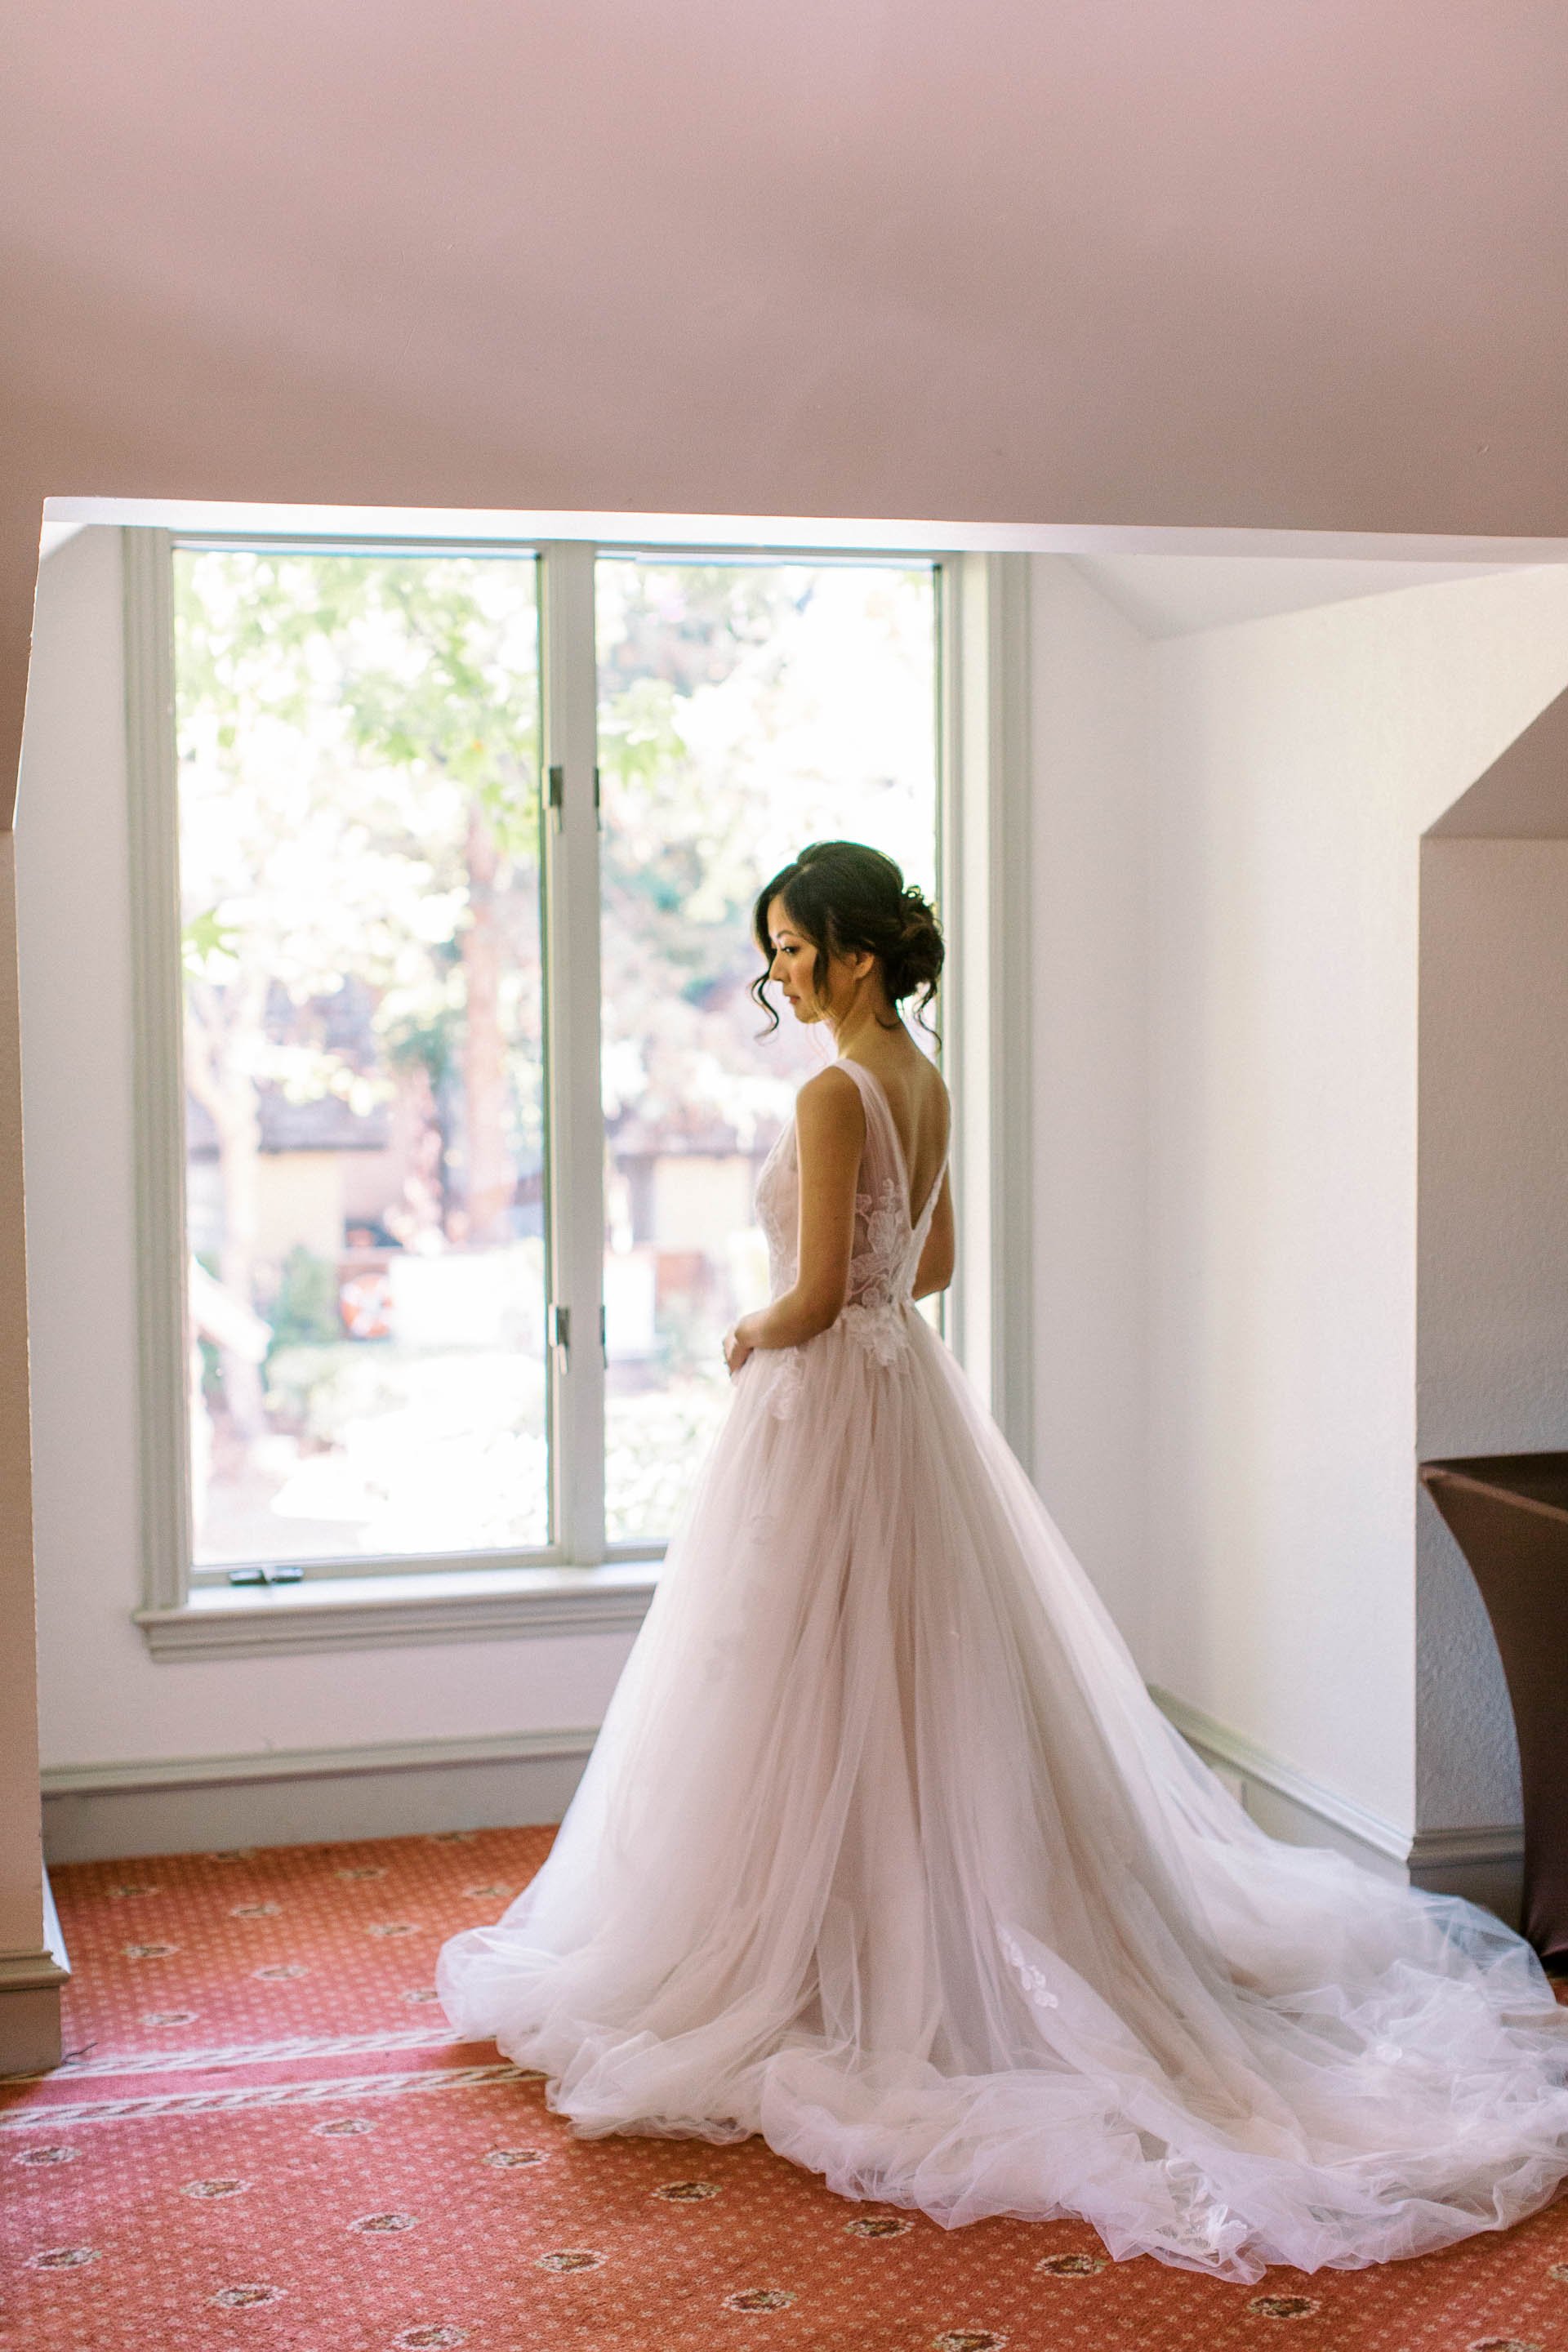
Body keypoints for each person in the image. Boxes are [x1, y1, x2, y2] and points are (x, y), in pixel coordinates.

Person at [437, 838, 1568, 2283]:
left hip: (828, 1399)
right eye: (771, 949)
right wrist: (837, 1315)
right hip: (899, 1391)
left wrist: (750, 1333)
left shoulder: (836, 1086)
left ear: (852, 954)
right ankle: (880, 1912)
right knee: (905, 1659)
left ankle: (816, 1949)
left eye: (791, 948)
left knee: (799, 1666)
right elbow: (927, 1270)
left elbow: (813, 1290)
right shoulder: (925, 1079)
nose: (776, 973)